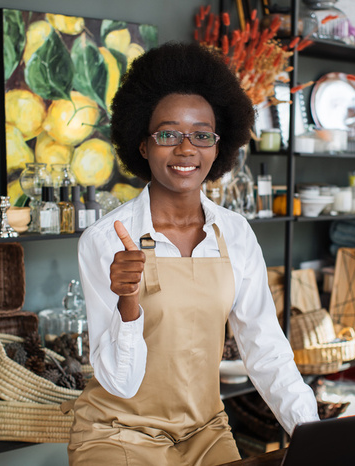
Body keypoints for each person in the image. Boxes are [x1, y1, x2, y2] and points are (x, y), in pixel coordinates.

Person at [67, 41, 319, 465]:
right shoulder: (105, 240)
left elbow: (265, 348)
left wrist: (313, 436)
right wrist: (129, 303)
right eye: (168, 134)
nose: (186, 149)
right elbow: (119, 382)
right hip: (117, 432)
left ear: (219, 147)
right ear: (143, 145)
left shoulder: (235, 233)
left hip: (204, 432)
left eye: (202, 135)